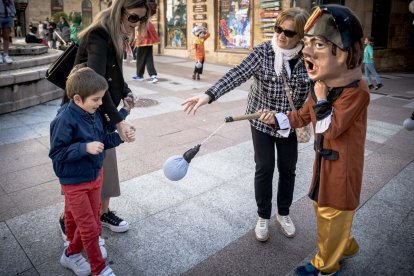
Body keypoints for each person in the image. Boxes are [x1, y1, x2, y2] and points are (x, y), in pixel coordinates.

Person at [182, 7, 310, 242]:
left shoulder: (308, 58)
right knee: (264, 166)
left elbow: (316, 90)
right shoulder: (264, 52)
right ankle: (263, 216)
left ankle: (283, 213)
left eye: (289, 33)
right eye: (278, 29)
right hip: (260, 121)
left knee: (288, 168)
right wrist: (209, 95)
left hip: (289, 122)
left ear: (301, 35)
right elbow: (238, 73)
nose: (282, 35)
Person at [259, 5, 370, 275]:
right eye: (307, 43)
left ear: (343, 52)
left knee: (333, 211)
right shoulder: (323, 85)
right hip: (325, 164)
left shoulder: (356, 91)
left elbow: (330, 129)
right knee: (323, 207)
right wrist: (276, 118)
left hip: (342, 169)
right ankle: (346, 246)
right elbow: (302, 117)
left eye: (318, 44)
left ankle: (326, 265)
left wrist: (321, 98)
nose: (307, 51)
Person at [59, 0, 149, 238]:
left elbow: (114, 73)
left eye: (141, 19)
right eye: (133, 17)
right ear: (120, 11)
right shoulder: (99, 34)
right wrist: (118, 123)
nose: (137, 23)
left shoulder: (116, 34)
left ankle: (102, 211)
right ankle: (67, 220)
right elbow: (98, 80)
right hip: (83, 110)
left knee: (105, 162)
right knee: (81, 167)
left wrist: (127, 91)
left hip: (100, 107)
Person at [50, 66, 135, 276]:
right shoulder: (63, 119)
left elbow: (104, 138)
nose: (100, 104)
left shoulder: (92, 113)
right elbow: (57, 153)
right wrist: (84, 148)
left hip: (95, 175)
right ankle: (99, 268)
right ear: (78, 99)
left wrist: (121, 137)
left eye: (101, 99)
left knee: (84, 218)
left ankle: (70, 252)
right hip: (74, 182)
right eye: (96, 99)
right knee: (90, 227)